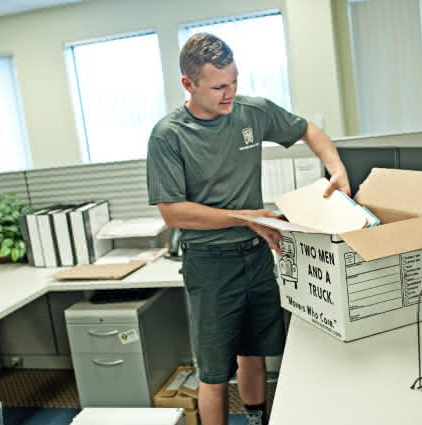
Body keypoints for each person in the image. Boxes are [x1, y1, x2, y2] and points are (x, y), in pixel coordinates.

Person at [146, 33, 350, 425]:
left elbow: (310, 130)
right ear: (188, 84)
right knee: (214, 370)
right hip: (209, 264)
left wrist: (336, 168)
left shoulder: (250, 112)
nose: (230, 93)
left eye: (235, 81)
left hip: (255, 256)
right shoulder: (168, 135)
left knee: (253, 352)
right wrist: (248, 217)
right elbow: (173, 213)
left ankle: (257, 420)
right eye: (219, 86)